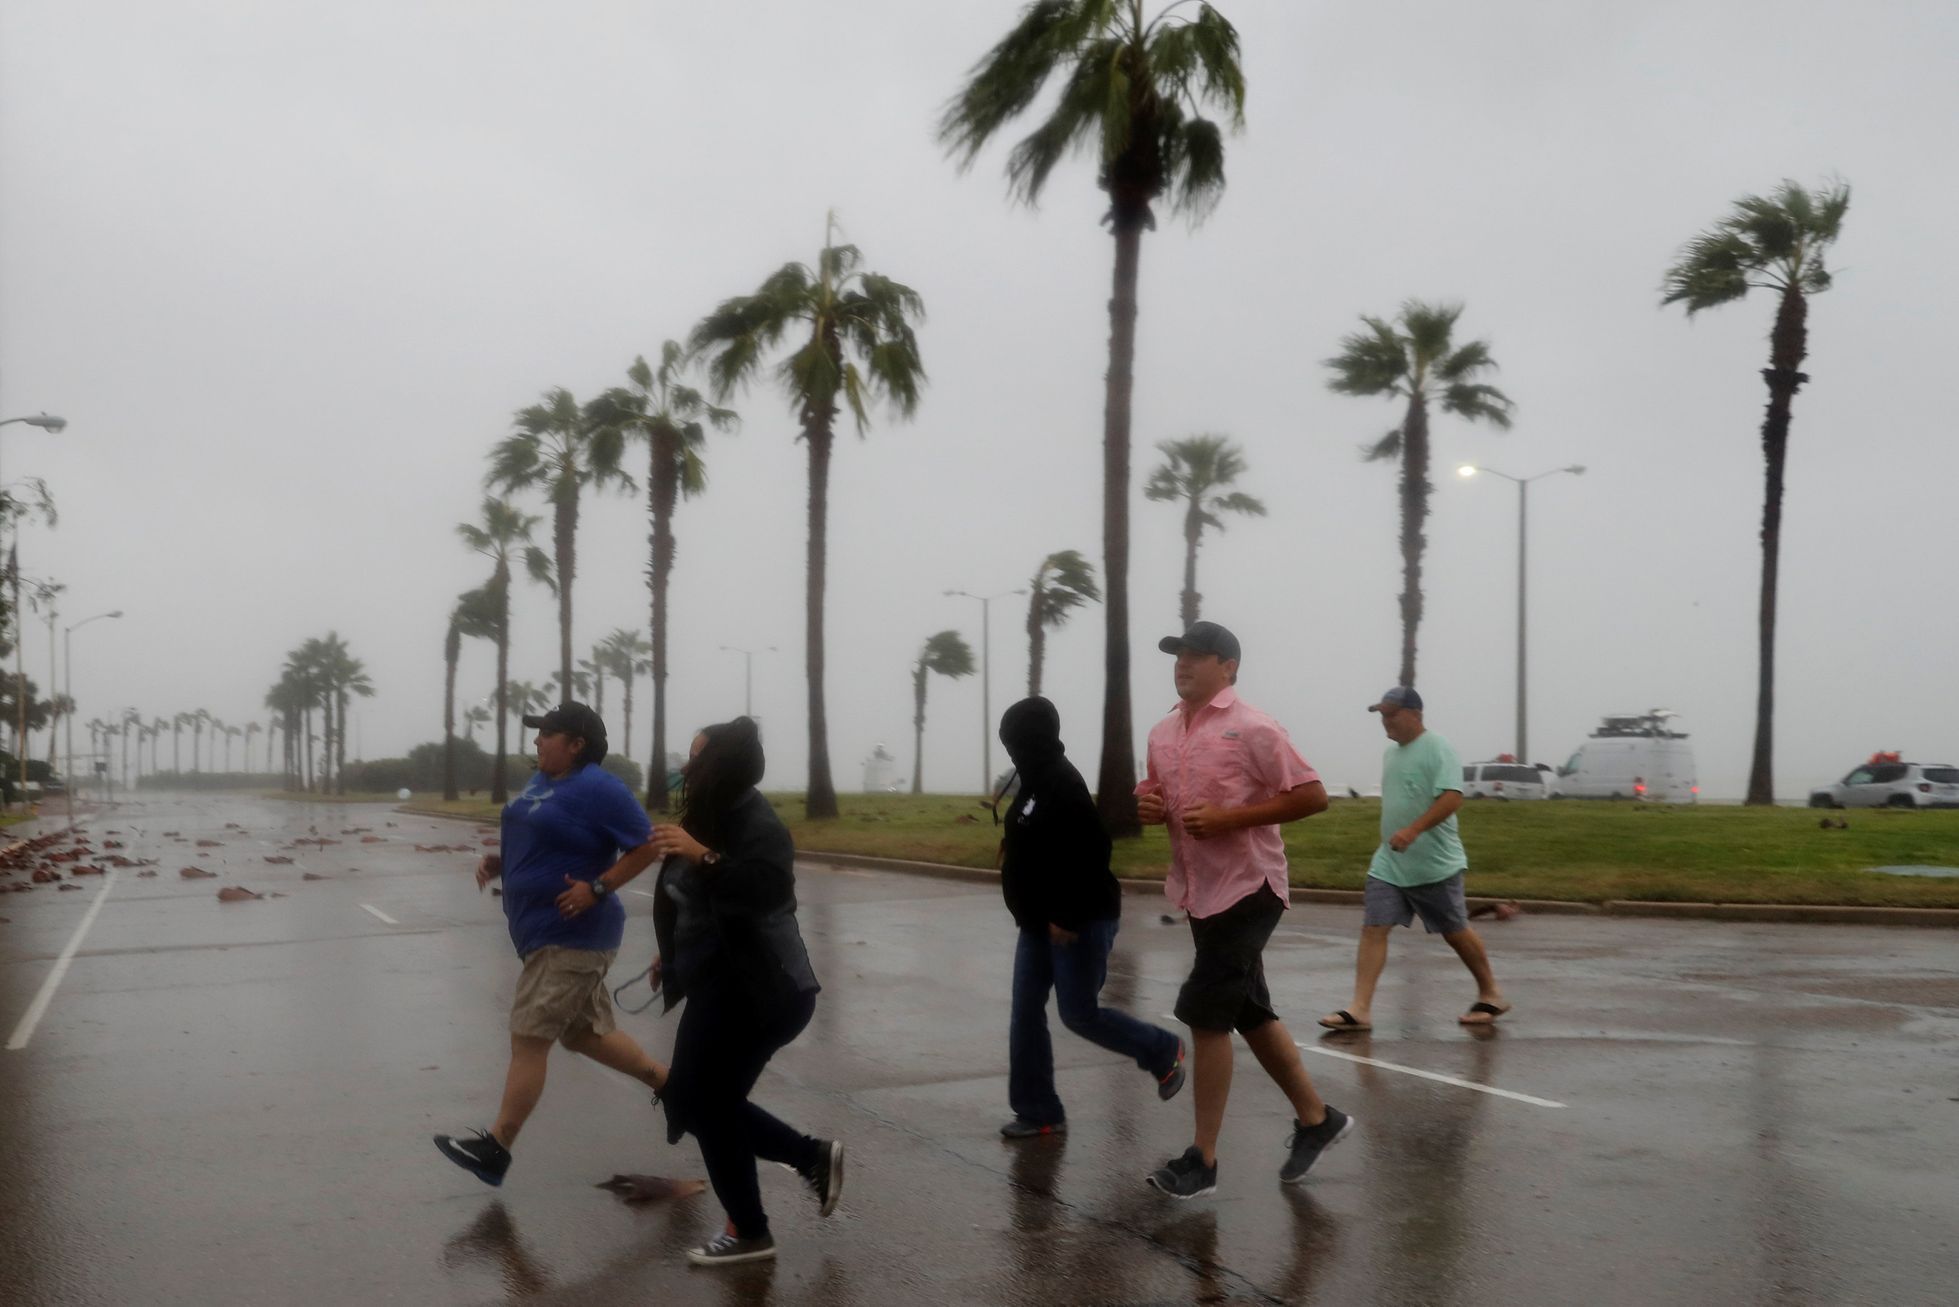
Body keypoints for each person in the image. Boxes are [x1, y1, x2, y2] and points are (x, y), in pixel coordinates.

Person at [1135, 622, 1354, 1199]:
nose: (1182, 665)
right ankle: (1317, 1119)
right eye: (1177, 656)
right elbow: (1152, 790)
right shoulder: (1161, 731)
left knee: (1206, 1014)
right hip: (1197, 890)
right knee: (1250, 1012)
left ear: (1228, 666)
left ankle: (1202, 1161)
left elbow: (1312, 795)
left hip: (1250, 888)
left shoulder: (1253, 726)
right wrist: (1149, 805)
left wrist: (1231, 819)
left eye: (1196, 656)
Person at [434, 702, 668, 1186]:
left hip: (574, 935)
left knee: (528, 1035)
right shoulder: (543, 781)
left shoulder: (600, 788)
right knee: (584, 1035)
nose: (538, 741)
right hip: (540, 933)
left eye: (547, 733)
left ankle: (496, 1147)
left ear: (576, 744)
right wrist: (506, 862)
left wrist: (597, 888)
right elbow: (543, 832)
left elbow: (646, 845)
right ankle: (675, 1089)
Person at [649, 717, 840, 1268]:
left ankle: (756, 1225)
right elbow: (695, 903)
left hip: (762, 992)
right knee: (700, 1101)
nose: (686, 767)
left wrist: (702, 855)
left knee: (704, 1104)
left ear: (722, 765)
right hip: (720, 985)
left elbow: (765, 891)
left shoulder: (755, 823)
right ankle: (806, 1164)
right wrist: (675, 954)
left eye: (697, 757)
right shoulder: (707, 816)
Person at [996, 696, 1186, 1140]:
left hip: (1077, 919)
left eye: (1015, 741)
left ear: (1035, 740)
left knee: (1078, 1013)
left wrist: (1066, 915)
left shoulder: (1063, 783)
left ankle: (1162, 1050)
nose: (1010, 750)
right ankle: (1038, 1111)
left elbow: (1092, 854)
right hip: (1037, 922)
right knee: (1025, 1013)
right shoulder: (1032, 782)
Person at [1319, 687, 1510, 1032]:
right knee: (1374, 927)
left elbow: (1452, 798)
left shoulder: (1439, 747)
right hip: (1390, 863)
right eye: (1382, 715)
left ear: (1415, 714)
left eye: (1391, 714)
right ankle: (1359, 1009)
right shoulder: (1391, 754)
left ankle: (1492, 992)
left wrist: (1414, 830)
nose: (1385, 722)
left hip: (1434, 863)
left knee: (1455, 930)